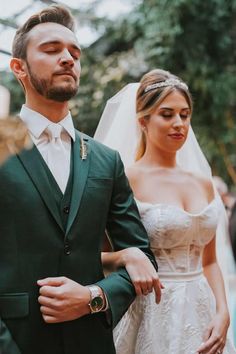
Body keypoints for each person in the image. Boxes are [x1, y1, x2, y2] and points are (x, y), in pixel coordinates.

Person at [1, 5, 161, 354]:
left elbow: (144, 255)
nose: (68, 59)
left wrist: (94, 297)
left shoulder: (106, 160)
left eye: (74, 52)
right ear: (19, 67)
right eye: (51, 49)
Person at [95, 69, 236, 354]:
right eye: (167, 114)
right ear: (143, 120)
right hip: (151, 312)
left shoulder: (202, 182)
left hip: (203, 312)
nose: (179, 124)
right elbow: (98, 257)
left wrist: (223, 312)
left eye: (184, 115)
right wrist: (127, 258)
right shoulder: (124, 181)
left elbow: (209, 262)